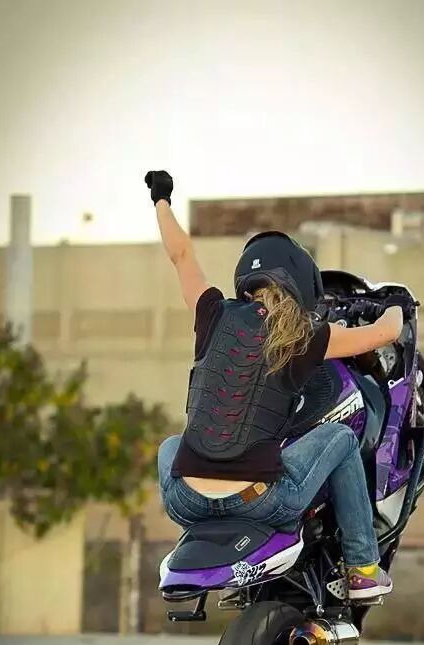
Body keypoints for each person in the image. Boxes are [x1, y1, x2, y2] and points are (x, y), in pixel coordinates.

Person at [147, 170, 405, 600]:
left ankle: (213, 530)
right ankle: (362, 567)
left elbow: (181, 253)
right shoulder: (306, 335)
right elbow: (384, 335)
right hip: (259, 501)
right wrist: (396, 307)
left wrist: (161, 199)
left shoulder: (211, 312)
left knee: (172, 444)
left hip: (185, 501)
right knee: (342, 438)